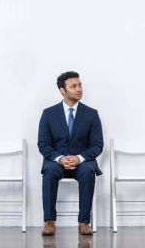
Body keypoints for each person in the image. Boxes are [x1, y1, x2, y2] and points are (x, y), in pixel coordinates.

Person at [38, 71, 103, 235]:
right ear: (62, 90)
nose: (79, 89)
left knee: (89, 172)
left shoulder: (91, 114)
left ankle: (84, 223)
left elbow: (97, 145)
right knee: (50, 170)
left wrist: (79, 158)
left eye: (80, 85)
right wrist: (59, 159)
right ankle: (49, 221)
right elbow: (43, 144)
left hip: (82, 162)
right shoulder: (49, 113)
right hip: (57, 161)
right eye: (73, 86)